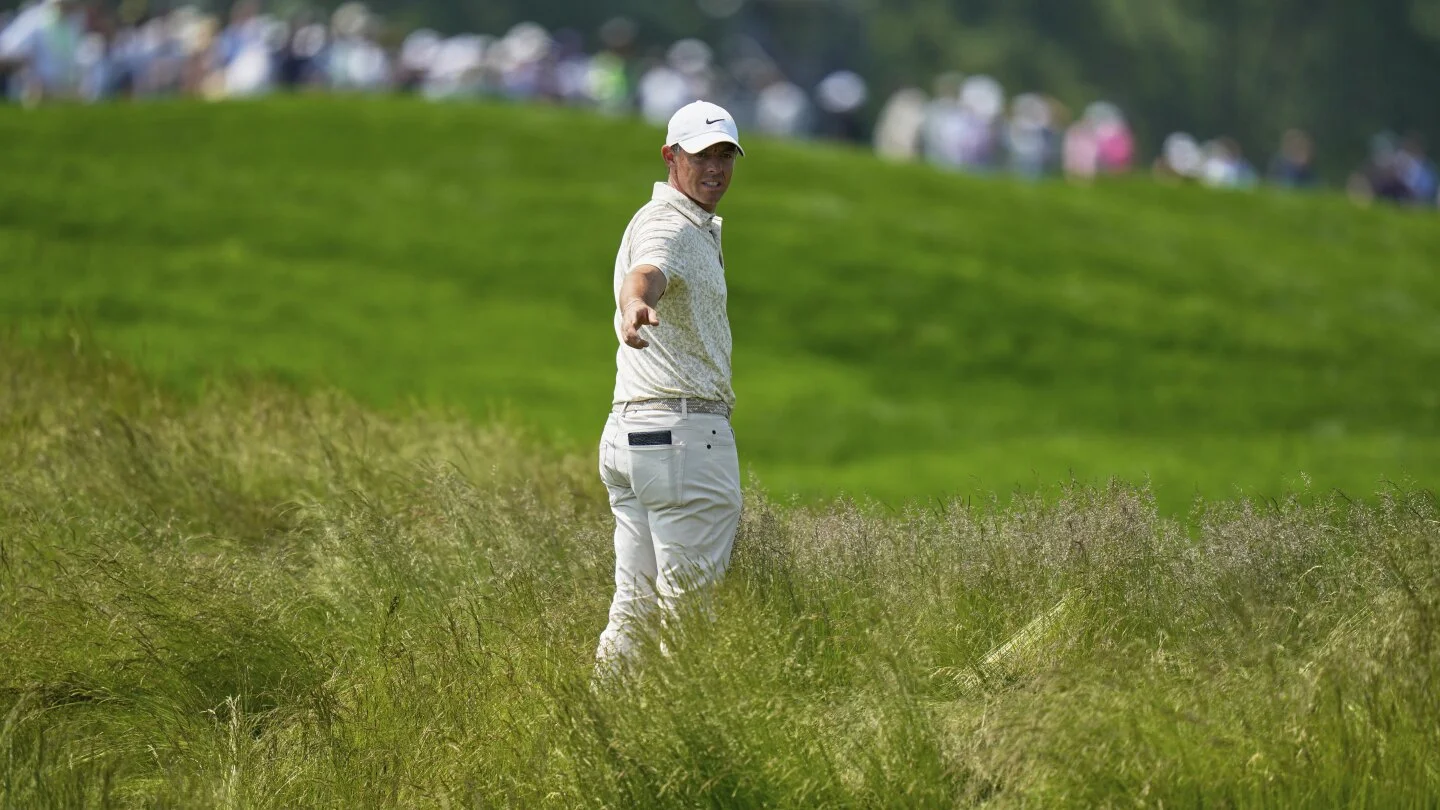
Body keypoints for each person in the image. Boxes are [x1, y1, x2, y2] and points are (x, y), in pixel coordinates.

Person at [595, 100, 746, 672]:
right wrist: (635, 304)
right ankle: (676, 722)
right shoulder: (669, 224)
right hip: (682, 436)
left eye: (725, 155)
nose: (715, 168)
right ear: (670, 156)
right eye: (701, 155)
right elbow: (648, 272)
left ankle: (603, 720)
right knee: (689, 616)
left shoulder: (683, 223)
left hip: (632, 436)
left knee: (634, 606)